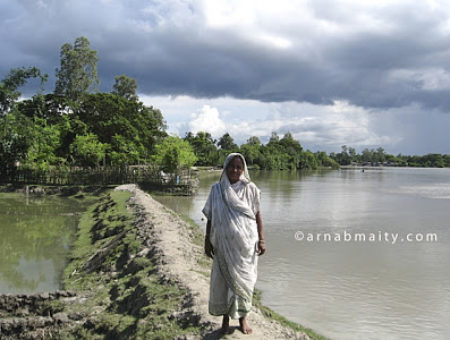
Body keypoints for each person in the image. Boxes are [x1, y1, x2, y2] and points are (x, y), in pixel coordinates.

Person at [202, 153, 266, 335]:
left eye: (239, 167)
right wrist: (207, 240)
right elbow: (210, 216)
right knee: (223, 282)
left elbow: (258, 215)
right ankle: (224, 320)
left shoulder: (251, 189)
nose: (235, 170)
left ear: (243, 169)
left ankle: (243, 320)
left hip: (245, 249)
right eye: (232, 166)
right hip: (223, 246)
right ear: (225, 167)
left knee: (244, 283)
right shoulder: (216, 190)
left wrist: (262, 239)